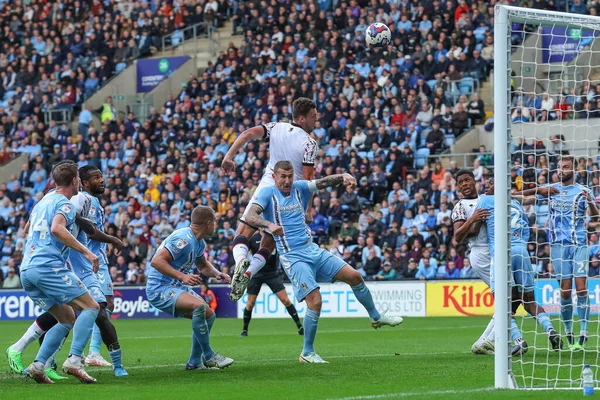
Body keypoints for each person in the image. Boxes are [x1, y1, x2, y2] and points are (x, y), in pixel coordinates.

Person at [244, 161, 403, 363]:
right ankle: (307, 353)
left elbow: (322, 183)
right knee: (316, 302)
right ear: (274, 177)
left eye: (290, 176)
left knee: (354, 276)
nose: (287, 180)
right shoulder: (267, 193)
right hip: (293, 257)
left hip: (312, 249)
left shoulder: (299, 187)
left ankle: (375, 316)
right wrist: (268, 224)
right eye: (283, 176)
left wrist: (343, 175)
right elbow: (250, 214)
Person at [221, 98, 319, 301]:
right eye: (313, 116)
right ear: (301, 118)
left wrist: (229, 155)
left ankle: (240, 262)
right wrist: (308, 210)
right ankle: (247, 273)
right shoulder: (309, 143)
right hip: (290, 194)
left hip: (268, 183)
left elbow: (247, 134)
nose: (316, 119)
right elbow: (308, 179)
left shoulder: (275, 127)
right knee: (272, 240)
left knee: (244, 230)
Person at [19, 161, 100, 384]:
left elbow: (26, 231)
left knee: (65, 317)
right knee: (91, 306)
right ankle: (74, 360)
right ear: (74, 180)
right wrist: (87, 253)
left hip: (27, 269)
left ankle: (38, 365)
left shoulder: (42, 202)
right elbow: (56, 228)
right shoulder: (65, 205)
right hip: (47, 267)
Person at [522, 155, 599, 350]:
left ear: (573, 170)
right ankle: (568, 331)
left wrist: (590, 202)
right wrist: (538, 189)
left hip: (579, 244)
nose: (561, 169)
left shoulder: (583, 191)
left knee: (581, 288)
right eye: (559, 167)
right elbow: (522, 196)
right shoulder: (551, 190)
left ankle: (583, 332)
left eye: (565, 167)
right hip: (557, 246)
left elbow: (596, 217)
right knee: (565, 291)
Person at [477, 178, 562, 354]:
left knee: (502, 305)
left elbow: (475, 225)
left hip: (502, 253)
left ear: (500, 186)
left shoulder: (484, 200)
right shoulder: (514, 202)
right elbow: (526, 226)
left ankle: (519, 340)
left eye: (491, 183)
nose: (486, 186)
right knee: (529, 300)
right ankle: (551, 330)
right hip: (521, 251)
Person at [147, 206, 234, 370]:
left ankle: (194, 362)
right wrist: (182, 276)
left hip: (175, 285)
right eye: (214, 222)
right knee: (199, 306)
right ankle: (209, 355)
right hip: (159, 288)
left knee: (209, 315)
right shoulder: (183, 239)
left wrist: (217, 274)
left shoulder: (199, 242)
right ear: (208, 223)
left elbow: (202, 265)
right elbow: (156, 261)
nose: (216, 225)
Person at [79, 166, 125, 368]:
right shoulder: (89, 201)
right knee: (102, 304)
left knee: (96, 306)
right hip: (92, 259)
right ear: (84, 182)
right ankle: (92, 353)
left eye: (101, 176)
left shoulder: (84, 200)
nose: (102, 180)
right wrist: (114, 239)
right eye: (96, 177)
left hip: (91, 257)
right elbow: (90, 231)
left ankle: (81, 353)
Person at [451, 170, 495, 355]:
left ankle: (484, 342)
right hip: (480, 253)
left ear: (475, 181)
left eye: (467, 180)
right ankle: (492, 340)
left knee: (507, 298)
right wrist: (473, 219)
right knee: (505, 297)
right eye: (460, 182)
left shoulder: (487, 197)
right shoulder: (459, 207)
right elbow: (457, 236)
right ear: (457, 187)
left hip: (496, 249)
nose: (464, 184)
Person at [240, 232, 303, 337]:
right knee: (250, 303)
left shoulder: (276, 237)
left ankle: (300, 326)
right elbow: (245, 254)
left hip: (272, 274)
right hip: (256, 273)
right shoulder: (253, 238)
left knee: (285, 300)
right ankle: (244, 329)